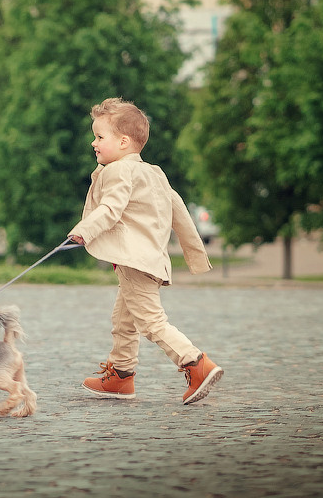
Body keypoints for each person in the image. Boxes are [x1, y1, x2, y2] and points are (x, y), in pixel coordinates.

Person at [68, 97, 222, 405]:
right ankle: (121, 376)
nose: (93, 143)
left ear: (123, 142)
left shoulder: (118, 171)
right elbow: (180, 213)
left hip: (134, 260)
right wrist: (196, 255)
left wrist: (84, 230)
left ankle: (195, 363)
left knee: (151, 322)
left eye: (99, 136)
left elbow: (111, 208)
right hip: (150, 260)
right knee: (123, 320)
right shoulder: (154, 173)